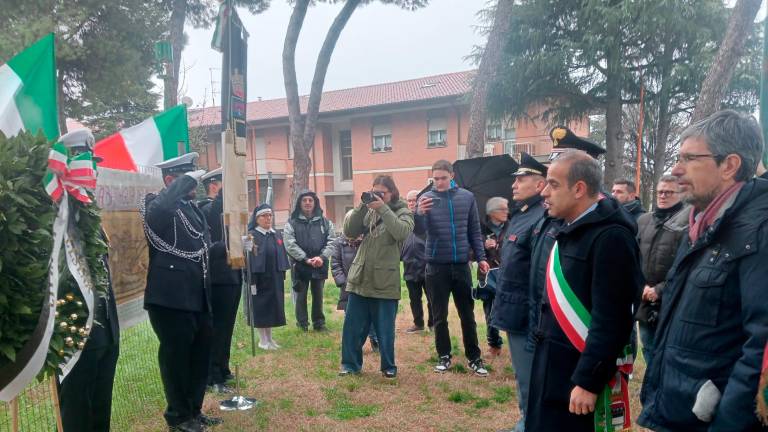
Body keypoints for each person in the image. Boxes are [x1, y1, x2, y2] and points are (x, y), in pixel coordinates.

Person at [638, 110, 768, 431]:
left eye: (689, 158)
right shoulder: (702, 224)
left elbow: (761, 345)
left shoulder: (758, 231)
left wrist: (727, 423)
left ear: (729, 165)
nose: (676, 170)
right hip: (683, 410)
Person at [526, 150, 642, 431]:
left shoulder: (611, 237)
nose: (544, 192)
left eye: (553, 184)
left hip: (576, 373)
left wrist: (588, 381)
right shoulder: (569, 228)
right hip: (552, 367)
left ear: (579, 189)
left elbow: (612, 320)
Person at [141, 152, 221, 432]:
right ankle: (178, 416)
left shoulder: (192, 208)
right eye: (187, 179)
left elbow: (204, 243)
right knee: (176, 359)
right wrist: (182, 182)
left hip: (198, 295)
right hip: (170, 298)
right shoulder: (156, 204)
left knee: (199, 356)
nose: (193, 185)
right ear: (170, 180)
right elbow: (158, 215)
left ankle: (194, 411)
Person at [57, 129, 120, 432]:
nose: (91, 171)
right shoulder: (56, 211)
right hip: (76, 330)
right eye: (84, 162)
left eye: (92, 163)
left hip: (105, 327)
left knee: (100, 406)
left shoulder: (89, 209)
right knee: (78, 409)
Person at [489, 152, 547, 432]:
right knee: (522, 374)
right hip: (513, 306)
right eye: (515, 179)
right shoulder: (521, 215)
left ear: (540, 185)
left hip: (527, 311)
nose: (514, 184)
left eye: (522, 179)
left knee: (529, 376)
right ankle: (526, 419)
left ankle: (529, 423)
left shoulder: (541, 216)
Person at [415, 160, 490, 376]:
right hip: (435, 266)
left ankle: (474, 358)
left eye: (443, 178)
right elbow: (419, 231)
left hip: (461, 265)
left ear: (451, 175)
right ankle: (444, 355)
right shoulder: (425, 199)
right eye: (435, 179)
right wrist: (419, 213)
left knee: (467, 314)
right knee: (439, 315)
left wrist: (481, 257)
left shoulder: (466, 198)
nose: (439, 182)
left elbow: (474, 231)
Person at [339, 176, 413, 378]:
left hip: (384, 280)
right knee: (352, 327)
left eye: (382, 193)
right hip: (360, 276)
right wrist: (363, 206)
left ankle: (388, 366)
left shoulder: (403, 211)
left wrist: (382, 208)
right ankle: (350, 365)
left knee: (385, 329)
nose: (378, 196)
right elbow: (349, 231)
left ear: (392, 193)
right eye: (375, 192)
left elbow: (401, 232)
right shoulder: (368, 211)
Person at [634, 175, 688, 369]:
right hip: (645, 303)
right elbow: (634, 257)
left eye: (669, 192)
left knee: (668, 360)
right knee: (649, 352)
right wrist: (639, 287)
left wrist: (660, 290)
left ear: (681, 194)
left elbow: (685, 266)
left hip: (672, 302)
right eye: (660, 192)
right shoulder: (643, 220)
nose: (663, 196)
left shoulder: (687, 223)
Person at [198, 168, 241, 394]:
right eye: (224, 185)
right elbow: (216, 216)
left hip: (232, 274)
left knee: (227, 328)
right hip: (217, 278)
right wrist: (228, 190)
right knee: (217, 329)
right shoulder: (205, 207)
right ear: (213, 186)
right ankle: (212, 375)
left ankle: (222, 368)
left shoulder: (228, 210)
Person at [283, 190, 336, 331]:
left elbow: (332, 241)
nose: (307, 203)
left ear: (315, 203)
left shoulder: (326, 223)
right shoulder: (292, 223)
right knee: (301, 295)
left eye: (310, 200)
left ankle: (319, 323)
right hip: (300, 265)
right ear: (299, 203)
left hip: (320, 263)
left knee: (318, 295)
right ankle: (302, 324)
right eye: (304, 200)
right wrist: (305, 259)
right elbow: (289, 244)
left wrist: (322, 257)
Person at [246, 204, 289, 350]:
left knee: (272, 307)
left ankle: (270, 339)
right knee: (261, 307)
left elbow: (281, 253)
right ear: (257, 218)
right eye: (264, 216)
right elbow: (248, 258)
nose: (268, 218)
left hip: (274, 276)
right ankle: (262, 340)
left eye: (270, 215)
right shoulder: (251, 235)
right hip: (258, 278)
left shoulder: (275, 233)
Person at [331, 233, 379, 351]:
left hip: (368, 285)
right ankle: (353, 344)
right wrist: (343, 283)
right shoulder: (339, 243)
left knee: (371, 315)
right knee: (351, 318)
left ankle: (375, 340)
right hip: (348, 288)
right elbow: (335, 265)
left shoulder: (369, 239)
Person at [478, 197, 508, 356]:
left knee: (511, 307)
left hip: (508, 274)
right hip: (488, 275)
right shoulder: (479, 229)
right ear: (492, 212)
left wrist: (500, 247)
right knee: (490, 311)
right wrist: (483, 245)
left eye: (507, 208)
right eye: (502, 209)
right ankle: (494, 344)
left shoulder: (513, 226)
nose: (506, 212)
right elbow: (470, 251)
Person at [402, 190, 431, 333]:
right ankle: (418, 324)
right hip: (409, 265)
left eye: (414, 200)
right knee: (414, 298)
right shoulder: (403, 219)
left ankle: (433, 324)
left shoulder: (426, 218)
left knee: (431, 298)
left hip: (426, 266)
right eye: (409, 201)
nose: (412, 203)